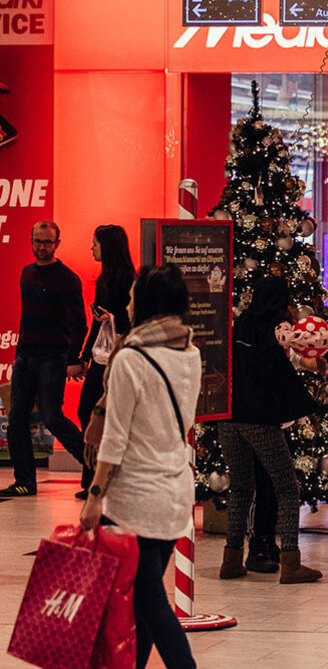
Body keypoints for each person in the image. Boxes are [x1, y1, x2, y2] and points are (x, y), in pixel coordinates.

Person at [79, 263, 199, 669]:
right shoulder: (191, 352)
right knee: (142, 604)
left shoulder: (131, 357)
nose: (127, 302)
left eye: (132, 295)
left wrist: (95, 495)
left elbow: (115, 438)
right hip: (175, 492)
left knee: (148, 600)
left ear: (145, 303)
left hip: (136, 498)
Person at [218, 276, 323, 584]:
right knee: (287, 487)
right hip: (260, 420)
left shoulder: (239, 327)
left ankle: (231, 560)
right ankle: (291, 561)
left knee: (241, 488)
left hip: (228, 417)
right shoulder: (275, 332)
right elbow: (284, 372)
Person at [0, 221, 88, 497]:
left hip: (53, 357)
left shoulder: (68, 278)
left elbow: (80, 324)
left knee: (53, 417)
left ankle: (96, 467)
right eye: (37, 241)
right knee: (16, 420)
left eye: (47, 242)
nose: (42, 247)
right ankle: (24, 481)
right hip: (26, 355)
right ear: (31, 240)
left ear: (57, 244)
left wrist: (73, 358)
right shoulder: (26, 274)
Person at [77, 224, 135, 498]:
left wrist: (111, 318)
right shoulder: (104, 278)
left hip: (119, 355)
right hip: (103, 354)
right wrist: (85, 354)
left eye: (95, 243)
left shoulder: (126, 279)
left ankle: (100, 478)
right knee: (88, 411)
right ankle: (91, 477)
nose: (92, 248)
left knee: (100, 412)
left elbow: (129, 320)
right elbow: (96, 323)